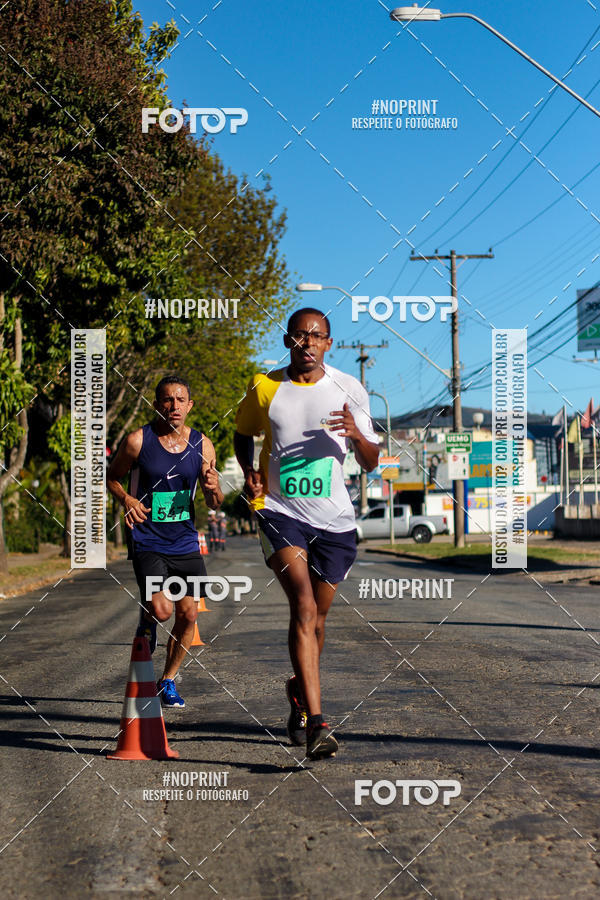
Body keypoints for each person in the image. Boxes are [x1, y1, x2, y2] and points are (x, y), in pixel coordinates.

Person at [234, 308, 379, 759]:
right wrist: (247, 471)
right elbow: (242, 433)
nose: (308, 343)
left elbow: (372, 460)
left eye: (317, 336)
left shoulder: (349, 388)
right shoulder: (265, 387)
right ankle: (318, 722)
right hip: (280, 510)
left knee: (318, 619)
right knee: (302, 603)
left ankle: (299, 689)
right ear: (288, 341)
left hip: (335, 520)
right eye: (299, 335)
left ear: (329, 343)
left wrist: (357, 435)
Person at [107, 374, 223, 708]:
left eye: (180, 400)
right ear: (157, 404)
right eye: (167, 400)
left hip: (185, 541)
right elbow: (112, 477)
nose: (174, 406)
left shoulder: (202, 445)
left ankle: (167, 680)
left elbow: (215, 503)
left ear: (190, 405)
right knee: (161, 609)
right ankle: (148, 619)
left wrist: (214, 487)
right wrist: (127, 500)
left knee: (188, 615)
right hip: (147, 538)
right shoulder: (137, 441)